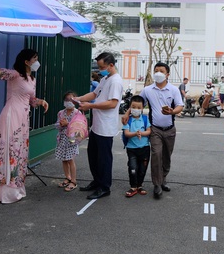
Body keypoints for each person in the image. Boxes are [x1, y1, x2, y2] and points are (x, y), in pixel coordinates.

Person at [0, 48, 49, 204]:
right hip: (11, 115)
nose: (37, 61)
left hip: (23, 118)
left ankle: (17, 188)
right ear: (26, 61)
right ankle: (7, 192)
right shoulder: (16, 75)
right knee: (10, 150)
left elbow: (31, 100)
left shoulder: (32, 79)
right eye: (34, 58)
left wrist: (41, 101)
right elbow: (4, 73)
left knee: (21, 152)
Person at [74, 52, 123, 200]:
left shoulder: (115, 81)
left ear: (111, 65)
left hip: (106, 127)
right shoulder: (105, 79)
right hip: (97, 125)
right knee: (93, 155)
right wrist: (79, 98)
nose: (100, 69)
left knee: (103, 158)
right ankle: (97, 181)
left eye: (102, 67)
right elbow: (94, 94)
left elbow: (112, 103)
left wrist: (90, 106)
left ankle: (104, 186)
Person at [135, 62, 184, 199]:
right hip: (155, 129)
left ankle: (163, 178)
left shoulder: (173, 90)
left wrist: (172, 111)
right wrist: (127, 114)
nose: (158, 73)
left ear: (167, 74)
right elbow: (138, 103)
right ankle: (157, 184)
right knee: (156, 154)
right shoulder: (148, 90)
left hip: (170, 129)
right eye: (156, 70)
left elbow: (180, 106)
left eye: (161, 71)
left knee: (166, 156)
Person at [122, 95, 151, 198]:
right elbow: (126, 133)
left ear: (143, 108)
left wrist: (141, 133)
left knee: (143, 168)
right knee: (133, 167)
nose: (136, 109)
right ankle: (133, 186)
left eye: (139, 107)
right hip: (132, 149)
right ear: (130, 107)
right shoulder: (127, 120)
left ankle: (140, 185)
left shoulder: (145, 118)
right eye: (134, 107)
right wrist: (135, 134)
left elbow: (149, 131)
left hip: (145, 148)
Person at [55, 91, 83, 192]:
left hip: (72, 140)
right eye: (66, 100)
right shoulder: (60, 113)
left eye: (71, 100)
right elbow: (57, 125)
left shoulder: (77, 113)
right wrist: (61, 124)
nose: (68, 102)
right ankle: (67, 177)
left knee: (70, 159)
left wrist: (68, 124)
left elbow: (79, 127)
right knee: (64, 159)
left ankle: (74, 181)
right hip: (62, 139)